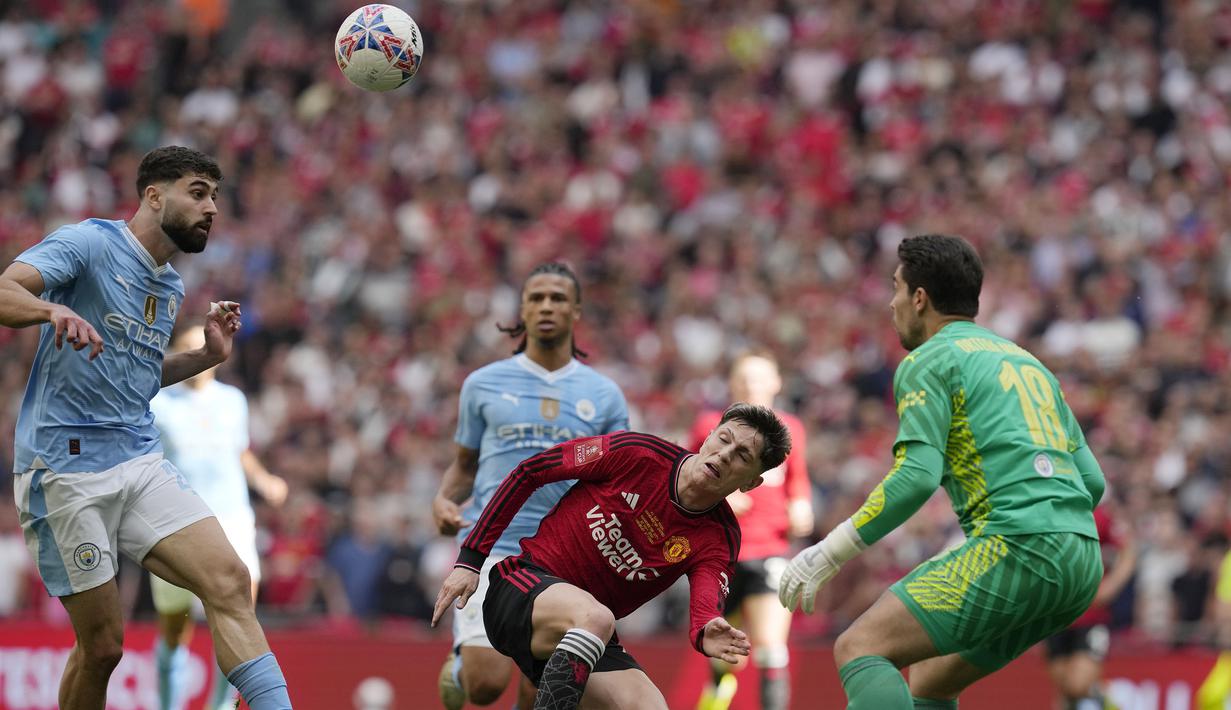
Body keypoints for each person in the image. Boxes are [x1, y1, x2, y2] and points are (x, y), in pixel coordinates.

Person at [0, 146, 293, 710]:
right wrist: (50, 311)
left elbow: (138, 378)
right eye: (198, 192)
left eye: (215, 197)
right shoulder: (88, 244)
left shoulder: (169, 287)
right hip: (63, 469)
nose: (212, 208)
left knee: (230, 581)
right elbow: (6, 288)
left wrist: (206, 355)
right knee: (104, 647)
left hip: (137, 459)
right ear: (154, 196)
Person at [779, 233, 1105, 709]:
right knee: (930, 679)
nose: (891, 303)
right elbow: (1091, 482)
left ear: (919, 298)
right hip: (1083, 560)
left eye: (895, 288)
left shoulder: (929, 360)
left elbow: (916, 477)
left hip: (1018, 546)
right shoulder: (1029, 364)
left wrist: (830, 551)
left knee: (860, 646)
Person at [432, 403, 793, 710]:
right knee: (584, 625)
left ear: (751, 483)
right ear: (710, 435)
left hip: (582, 637)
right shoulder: (636, 452)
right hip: (521, 585)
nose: (724, 454)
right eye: (724, 439)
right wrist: (471, 558)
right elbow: (531, 471)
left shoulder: (721, 537)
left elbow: (705, 606)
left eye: (742, 456)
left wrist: (705, 630)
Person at [432, 262, 629, 709]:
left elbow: (615, 480)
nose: (546, 306)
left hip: (563, 554)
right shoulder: (482, 384)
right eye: (536, 298)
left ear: (576, 310)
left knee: (541, 686)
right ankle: (460, 666)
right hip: (491, 547)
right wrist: (444, 500)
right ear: (522, 309)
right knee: (484, 687)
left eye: (558, 298)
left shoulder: (604, 396)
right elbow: (464, 466)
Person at [148, 324, 290, 710]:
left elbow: (240, 450)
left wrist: (264, 480)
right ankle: (166, 703)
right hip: (177, 522)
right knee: (175, 628)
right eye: (189, 348)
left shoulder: (232, 401)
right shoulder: (158, 402)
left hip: (232, 516)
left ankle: (221, 704)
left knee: (238, 610)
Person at [691, 352, 811, 710]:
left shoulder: (792, 430)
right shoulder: (711, 426)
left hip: (768, 550)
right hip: (721, 554)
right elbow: (687, 479)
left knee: (772, 648)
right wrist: (720, 495)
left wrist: (802, 505)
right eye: (744, 378)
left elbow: (798, 483)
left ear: (776, 383)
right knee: (726, 657)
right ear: (732, 383)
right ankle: (715, 691)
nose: (751, 385)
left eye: (760, 378)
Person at [1043, 505, 1136, 710]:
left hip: (1091, 617)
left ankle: (1111, 702)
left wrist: (1110, 587)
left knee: (1078, 685)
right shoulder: (1049, 511)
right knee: (1065, 687)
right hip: (1056, 617)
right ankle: (1100, 697)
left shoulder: (1098, 514)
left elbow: (1127, 550)